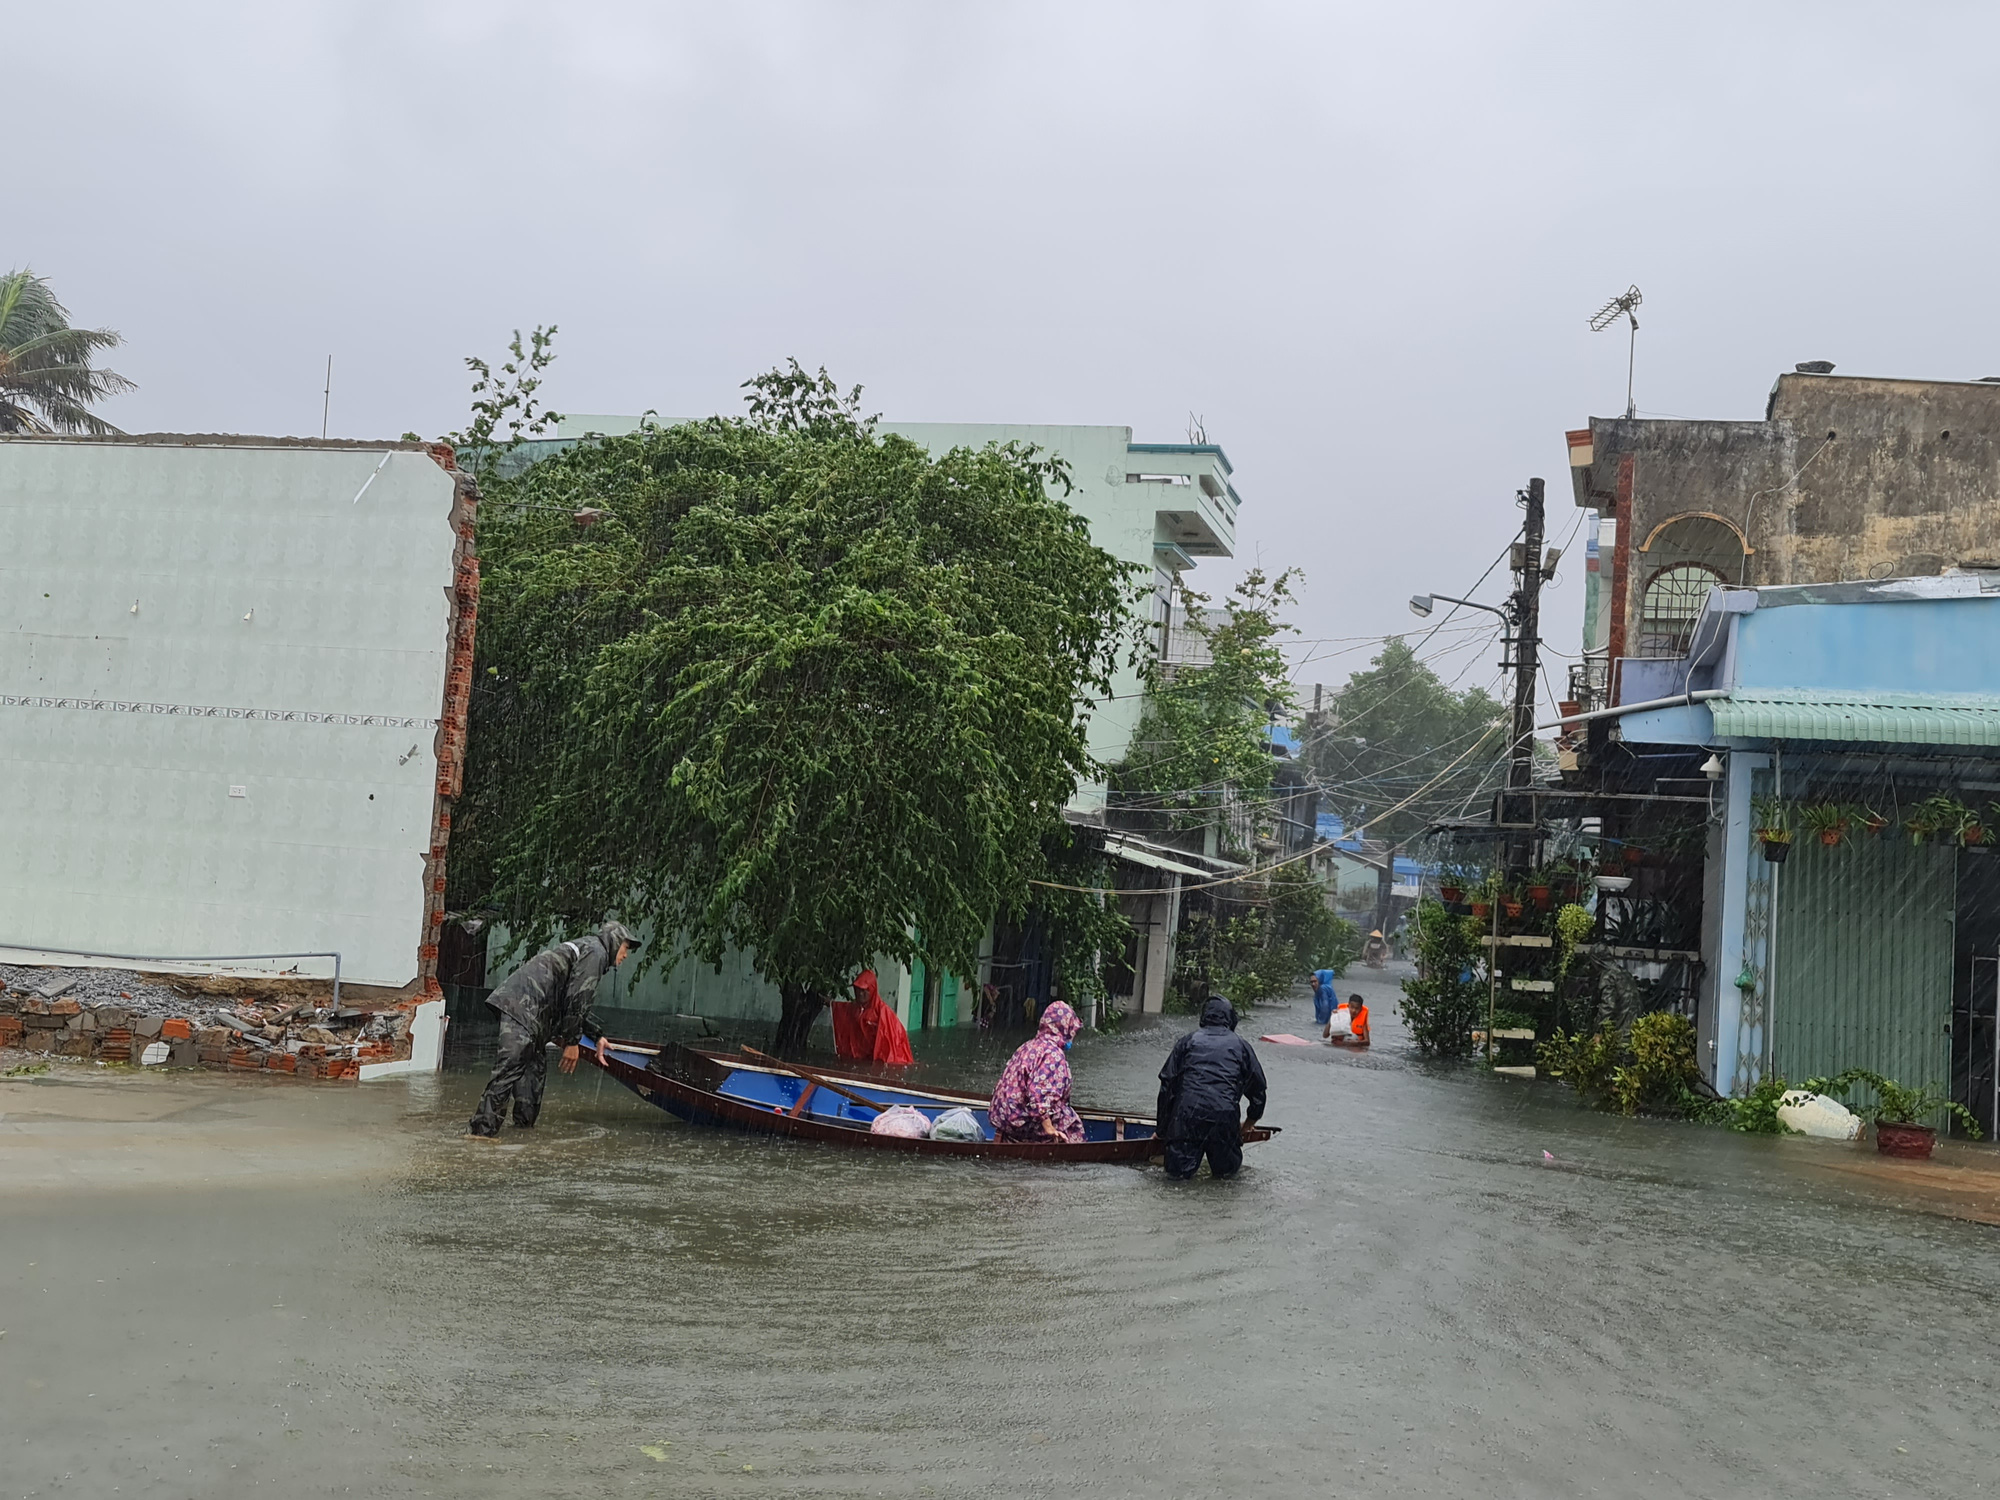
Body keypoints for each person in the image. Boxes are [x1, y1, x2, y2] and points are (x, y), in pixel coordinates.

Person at [468, 920, 638, 1138]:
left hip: (532, 1016)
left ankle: (522, 1136)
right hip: (524, 1009)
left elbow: (569, 1002)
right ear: (614, 941)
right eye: (625, 949)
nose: (625, 956)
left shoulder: (589, 949)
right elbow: (578, 998)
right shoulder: (596, 952)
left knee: (532, 1079)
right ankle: (479, 1138)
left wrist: (597, 1036)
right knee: (507, 1072)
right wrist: (572, 1042)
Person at [1155, 995, 1268, 1180]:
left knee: (1176, 1181)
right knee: (1226, 1181)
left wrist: (1161, 1130)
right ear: (1231, 1019)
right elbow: (1258, 1092)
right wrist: (1247, 1125)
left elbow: (1167, 1087)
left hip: (1186, 1118)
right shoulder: (1241, 1046)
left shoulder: (1187, 1042)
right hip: (1224, 1118)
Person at [989, 999, 1085, 1143]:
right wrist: (1049, 1128)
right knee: (1070, 1122)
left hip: (1004, 1117)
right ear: (1065, 1028)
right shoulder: (1053, 1055)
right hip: (1021, 1121)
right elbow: (1039, 1095)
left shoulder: (1028, 1046)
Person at [830, 969, 915, 1065]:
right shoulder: (856, 1008)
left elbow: (889, 1046)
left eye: (863, 990)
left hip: (877, 1060)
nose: (859, 994)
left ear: (872, 990)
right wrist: (830, 1004)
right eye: (857, 990)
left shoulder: (883, 1013)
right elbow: (844, 1009)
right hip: (862, 1059)